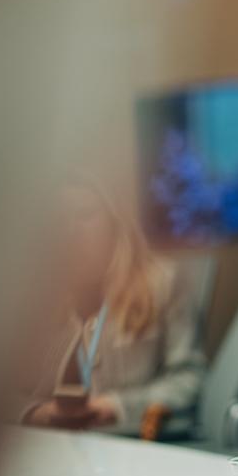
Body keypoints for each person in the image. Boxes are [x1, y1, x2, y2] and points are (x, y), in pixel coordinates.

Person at [18, 172, 206, 436]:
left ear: (116, 221)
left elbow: (190, 381)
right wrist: (41, 413)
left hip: (134, 448)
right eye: (60, 220)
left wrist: (115, 407)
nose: (71, 232)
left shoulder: (163, 284)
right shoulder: (32, 298)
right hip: (54, 450)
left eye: (85, 215)